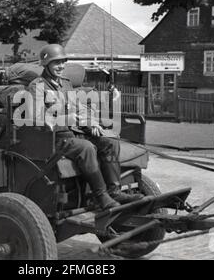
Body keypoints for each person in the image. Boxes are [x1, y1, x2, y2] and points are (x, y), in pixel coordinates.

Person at [28, 44, 143, 210]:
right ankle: (100, 196)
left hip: (74, 135)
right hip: (55, 138)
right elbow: (38, 119)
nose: (61, 66)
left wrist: (92, 123)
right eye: (56, 63)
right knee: (86, 148)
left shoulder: (66, 84)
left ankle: (114, 191)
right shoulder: (37, 86)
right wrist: (66, 119)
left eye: (63, 62)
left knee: (110, 141)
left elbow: (80, 109)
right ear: (46, 65)